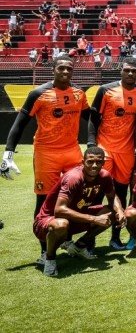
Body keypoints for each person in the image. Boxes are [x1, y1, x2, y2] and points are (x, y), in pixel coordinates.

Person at [2, 56, 91, 260]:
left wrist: (95, 142)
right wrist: (8, 152)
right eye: (61, 68)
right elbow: (20, 123)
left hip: (72, 151)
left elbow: (92, 117)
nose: (65, 72)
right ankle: (44, 251)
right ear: (53, 69)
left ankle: (68, 241)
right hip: (46, 153)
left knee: (77, 196)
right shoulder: (38, 93)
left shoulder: (78, 94)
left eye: (69, 69)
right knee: (45, 201)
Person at [87, 57, 136, 250]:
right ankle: (89, 242)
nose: (130, 74)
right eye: (127, 70)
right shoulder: (105, 90)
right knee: (97, 194)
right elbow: (92, 119)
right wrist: (91, 144)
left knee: (121, 194)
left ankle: (115, 238)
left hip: (127, 152)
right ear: (120, 71)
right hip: (105, 149)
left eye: (134, 71)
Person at [33, 146, 126, 277]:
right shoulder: (74, 177)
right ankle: (49, 259)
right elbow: (59, 210)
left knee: (112, 213)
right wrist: (94, 219)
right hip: (48, 221)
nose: (94, 165)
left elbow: (113, 197)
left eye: (98, 162)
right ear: (83, 162)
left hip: (75, 217)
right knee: (61, 224)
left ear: (103, 163)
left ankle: (79, 246)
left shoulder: (104, 176)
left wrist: (120, 211)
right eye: (90, 162)